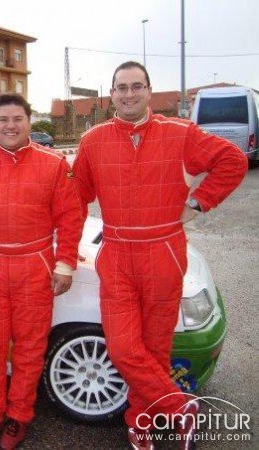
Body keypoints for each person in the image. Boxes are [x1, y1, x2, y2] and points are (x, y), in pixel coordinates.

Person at [72, 61, 247, 450]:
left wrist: (198, 202)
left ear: (149, 91)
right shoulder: (94, 140)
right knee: (123, 348)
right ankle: (181, 408)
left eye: (137, 86)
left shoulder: (181, 133)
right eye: (121, 87)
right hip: (117, 253)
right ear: (111, 94)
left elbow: (233, 161)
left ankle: (140, 424)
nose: (129, 94)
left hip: (164, 251)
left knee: (154, 350)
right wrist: (60, 246)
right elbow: (75, 198)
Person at [0, 93, 84, 450]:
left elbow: (71, 217)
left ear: (28, 122)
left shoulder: (53, 164)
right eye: (4, 119)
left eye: (18, 119)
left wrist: (64, 264)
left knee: (29, 349)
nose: (11, 126)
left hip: (35, 266)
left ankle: (18, 417)